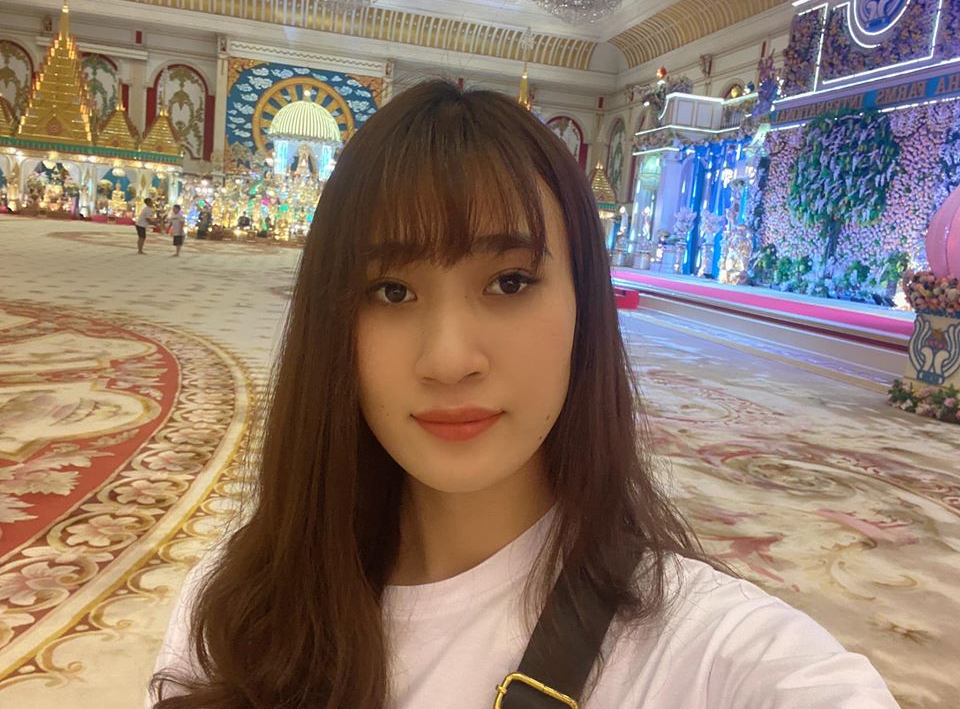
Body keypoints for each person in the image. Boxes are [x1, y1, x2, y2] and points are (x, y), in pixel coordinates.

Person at [147, 81, 900, 709]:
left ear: (585, 308)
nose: (449, 360)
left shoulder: (715, 656)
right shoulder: (242, 608)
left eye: (509, 282)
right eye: (392, 290)